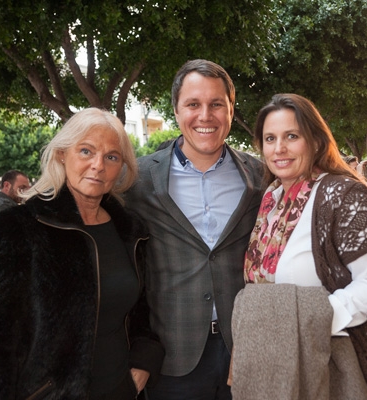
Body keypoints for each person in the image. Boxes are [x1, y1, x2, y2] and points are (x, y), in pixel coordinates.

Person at [0, 108, 165, 399]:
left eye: (111, 157)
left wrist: (144, 361)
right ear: (62, 154)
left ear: (122, 167)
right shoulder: (20, 228)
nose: (98, 165)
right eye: (86, 151)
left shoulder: (130, 231)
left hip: (122, 389)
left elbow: (141, 311)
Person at [232, 94, 367, 399]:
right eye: (270, 138)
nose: (279, 148)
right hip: (271, 362)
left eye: (292, 136)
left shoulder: (344, 196)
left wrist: (312, 320)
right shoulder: (270, 200)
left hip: (328, 360)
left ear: (315, 141)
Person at [125, 59, 264, 400]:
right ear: (176, 110)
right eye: (193, 104)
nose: (205, 115)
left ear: (231, 110)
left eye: (217, 104)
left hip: (247, 350)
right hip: (172, 357)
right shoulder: (136, 179)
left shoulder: (261, 176)